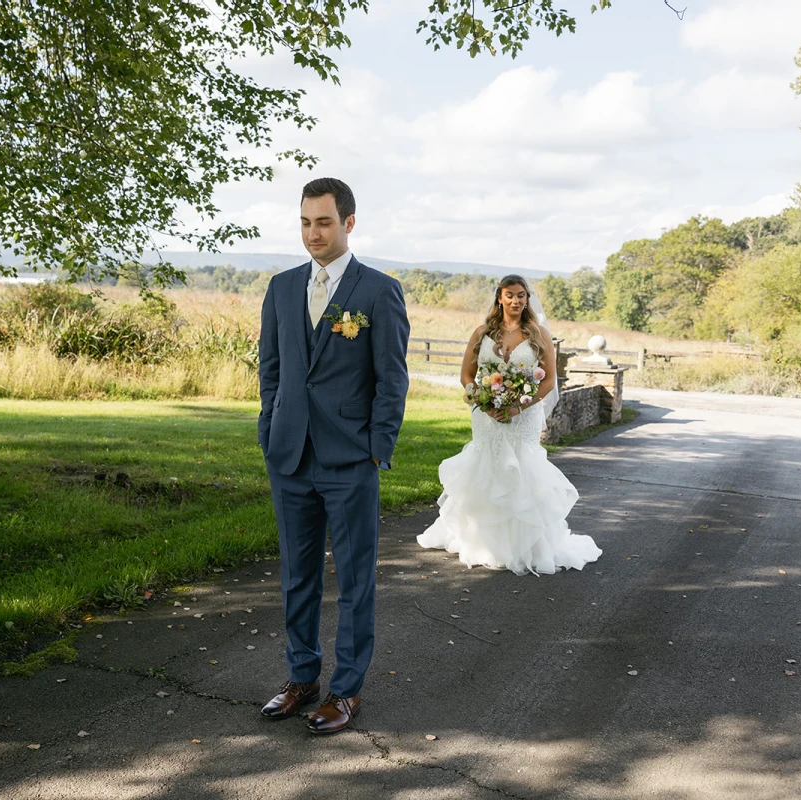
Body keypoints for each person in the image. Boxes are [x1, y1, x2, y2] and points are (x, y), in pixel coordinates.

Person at [256, 177, 410, 735]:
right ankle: (302, 679)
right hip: (289, 457)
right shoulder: (280, 287)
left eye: (323, 222)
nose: (312, 233)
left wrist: (376, 449)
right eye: (304, 222)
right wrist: (269, 429)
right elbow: (270, 370)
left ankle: (346, 691)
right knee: (297, 575)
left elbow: (392, 379)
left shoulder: (377, 291)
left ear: (348, 222)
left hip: (350, 462)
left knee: (354, 580)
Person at [416, 274, 601, 575]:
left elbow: (550, 380)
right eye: (509, 295)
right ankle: (482, 542)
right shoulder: (482, 333)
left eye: (521, 295)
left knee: (522, 470)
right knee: (486, 468)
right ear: (499, 298)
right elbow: (466, 375)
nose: (515, 300)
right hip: (486, 416)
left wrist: (519, 405)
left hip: (523, 416)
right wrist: (481, 398)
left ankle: (524, 545)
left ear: (528, 299)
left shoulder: (538, 335)